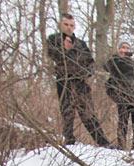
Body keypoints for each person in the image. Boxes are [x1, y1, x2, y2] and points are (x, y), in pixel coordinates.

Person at [46, 13, 110, 147]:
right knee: (67, 112)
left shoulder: (81, 44)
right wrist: (65, 50)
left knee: (88, 114)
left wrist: (87, 73)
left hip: (80, 82)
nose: (69, 28)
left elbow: (90, 63)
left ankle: (103, 143)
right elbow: (53, 56)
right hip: (64, 81)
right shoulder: (54, 39)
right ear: (61, 25)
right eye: (66, 25)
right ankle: (69, 141)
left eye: (72, 25)